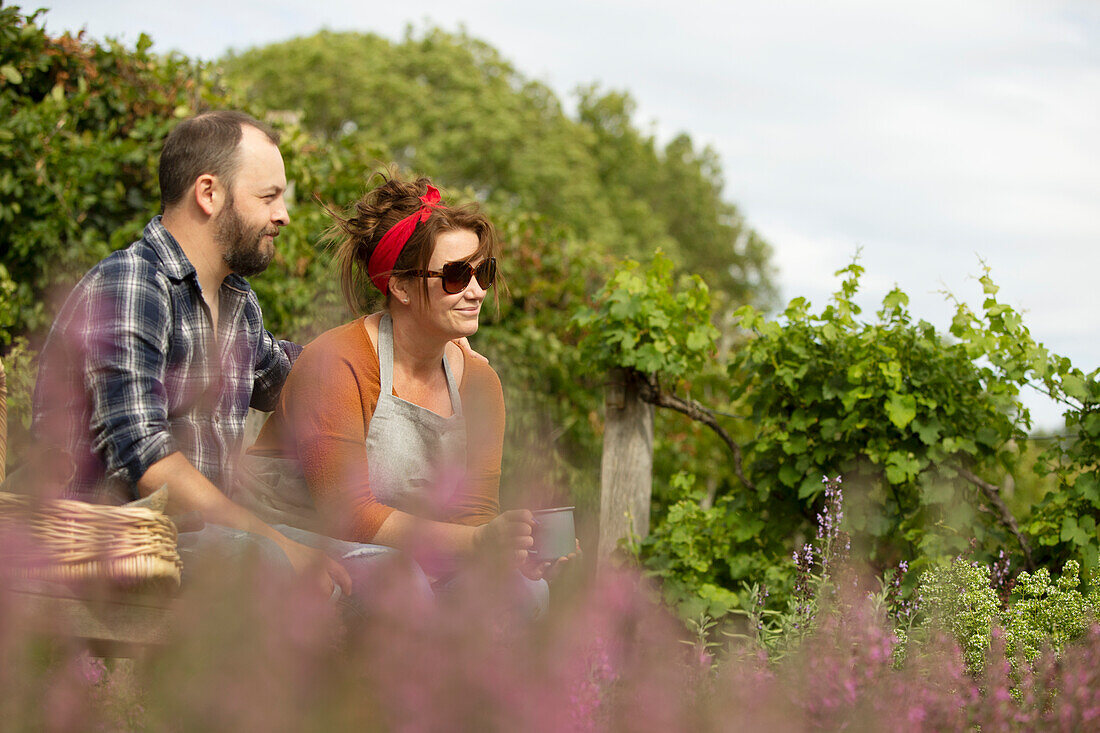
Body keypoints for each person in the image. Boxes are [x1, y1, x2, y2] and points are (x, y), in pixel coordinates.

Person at [31, 110, 352, 598]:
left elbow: (290, 377)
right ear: (208, 193)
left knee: (379, 568)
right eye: (268, 197)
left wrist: (391, 337)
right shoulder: (134, 284)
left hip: (212, 535)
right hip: (118, 538)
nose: (283, 214)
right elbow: (149, 467)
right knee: (269, 562)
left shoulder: (235, 299)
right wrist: (277, 541)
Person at [245, 172, 571, 614]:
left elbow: (473, 513)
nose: (476, 291)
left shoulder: (479, 383)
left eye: (484, 272)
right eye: (456, 276)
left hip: (400, 551)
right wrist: (476, 542)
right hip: (293, 535)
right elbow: (349, 514)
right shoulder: (339, 363)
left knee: (522, 593)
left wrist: (513, 555)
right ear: (399, 286)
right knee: (400, 582)